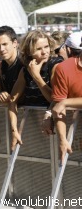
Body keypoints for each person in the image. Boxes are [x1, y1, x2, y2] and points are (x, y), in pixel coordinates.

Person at [7, 30, 63, 150]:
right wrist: (14, 130)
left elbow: (55, 98)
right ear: (29, 51)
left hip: (53, 126)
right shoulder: (25, 70)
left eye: (46, 47)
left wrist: (36, 76)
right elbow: (12, 100)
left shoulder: (56, 65)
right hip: (32, 130)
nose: (44, 52)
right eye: (38, 49)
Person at [43, 33, 82, 163]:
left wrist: (66, 102)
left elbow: (62, 103)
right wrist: (62, 140)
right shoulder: (64, 68)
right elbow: (59, 105)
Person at [0, 25, 23, 102]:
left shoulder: (25, 63)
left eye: (5, 44)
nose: (1, 49)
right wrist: (1, 94)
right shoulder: (2, 66)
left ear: (15, 43)